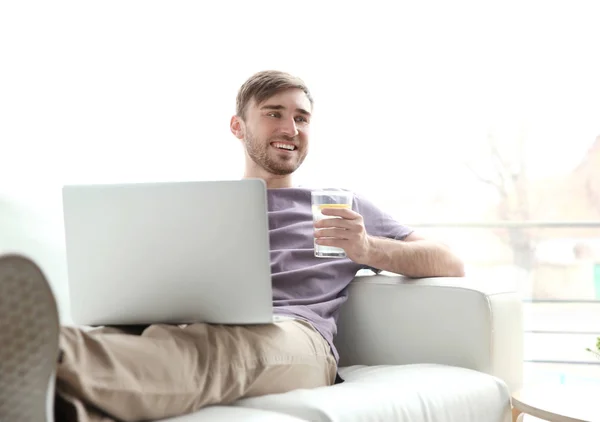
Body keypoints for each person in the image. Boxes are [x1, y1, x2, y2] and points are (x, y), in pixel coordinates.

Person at [0, 70, 465, 422]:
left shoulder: (338, 204)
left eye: (301, 117)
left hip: (296, 337)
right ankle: (53, 400)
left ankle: (50, 354)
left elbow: (449, 260)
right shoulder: (203, 206)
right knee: (144, 338)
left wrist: (370, 249)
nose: (291, 127)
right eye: (274, 113)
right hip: (198, 323)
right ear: (238, 127)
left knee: (222, 347)